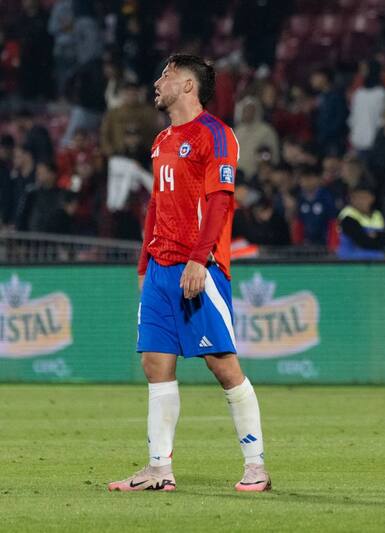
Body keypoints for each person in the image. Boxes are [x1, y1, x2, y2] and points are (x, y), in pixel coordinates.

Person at [108, 54, 271, 493]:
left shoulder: (216, 135)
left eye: (166, 74)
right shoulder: (161, 140)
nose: (157, 81)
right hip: (160, 270)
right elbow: (156, 207)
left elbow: (221, 200)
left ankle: (256, 466)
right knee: (154, 363)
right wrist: (144, 264)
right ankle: (159, 470)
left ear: (187, 85)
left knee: (223, 365)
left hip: (199, 266)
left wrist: (200, 258)